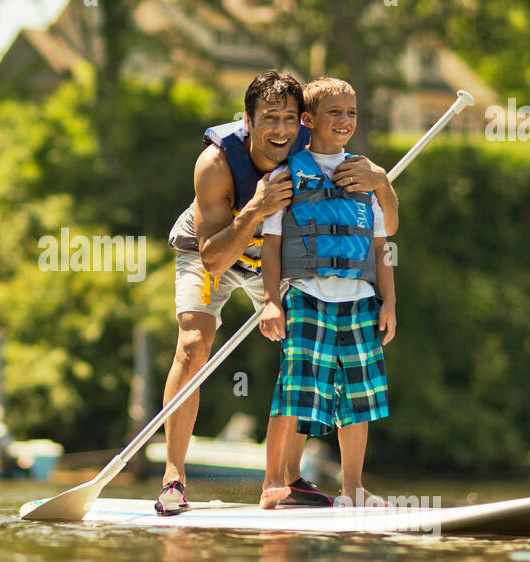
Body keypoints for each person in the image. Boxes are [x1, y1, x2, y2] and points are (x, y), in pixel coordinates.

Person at [158, 70, 397, 515]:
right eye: (270, 118)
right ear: (248, 121)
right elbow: (213, 258)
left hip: (276, 259)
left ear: (303, 121)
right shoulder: (215, 164)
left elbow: (371, 218)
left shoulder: (311, 147)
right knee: (193, 346)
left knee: (304, 354)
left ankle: (287, 479)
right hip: (214, 249)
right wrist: (255, 209)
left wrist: (379, 181)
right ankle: (174, 477)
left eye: (289, 119)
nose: (281, 130)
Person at [257, 76, 396, 509]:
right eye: (334, 112)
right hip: (306, 296)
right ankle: (279, 482)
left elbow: (381, 243)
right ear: (308, 120)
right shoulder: (288, 175)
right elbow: (273, 245)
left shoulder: (365, 176)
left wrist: (389, 301)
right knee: (300, 390)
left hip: (358, 299)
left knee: (359, 394)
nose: (344, 120)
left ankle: (353, 486)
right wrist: (271, 301)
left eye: (351, 112)